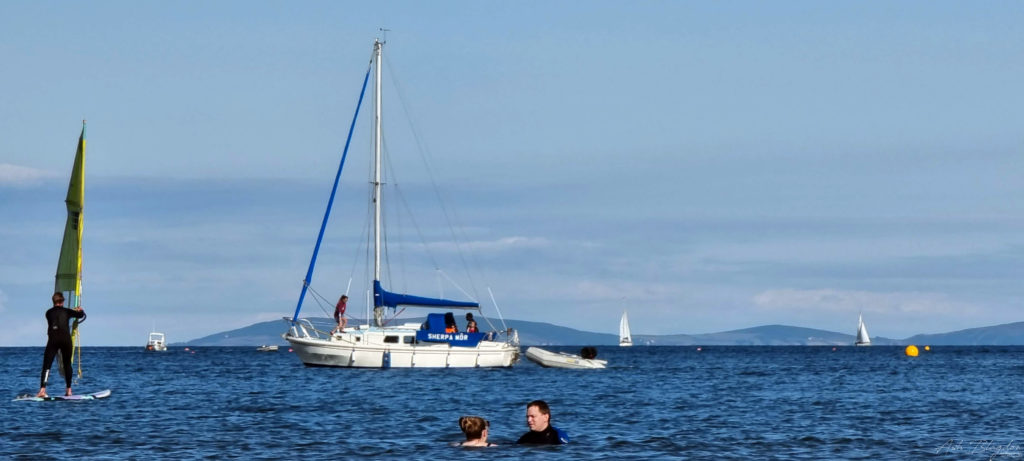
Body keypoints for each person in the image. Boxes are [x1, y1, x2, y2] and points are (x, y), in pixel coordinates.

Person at [37, 292, 86, 398]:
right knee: (67, 364)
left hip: (53, 340)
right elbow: (80, 315)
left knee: (47, 365)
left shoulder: (48, 313)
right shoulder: (67, 311)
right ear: (62, 301)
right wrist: (80, 310)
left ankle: (42, 390)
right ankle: (68, 390)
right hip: (65, 340)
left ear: (53, 301)